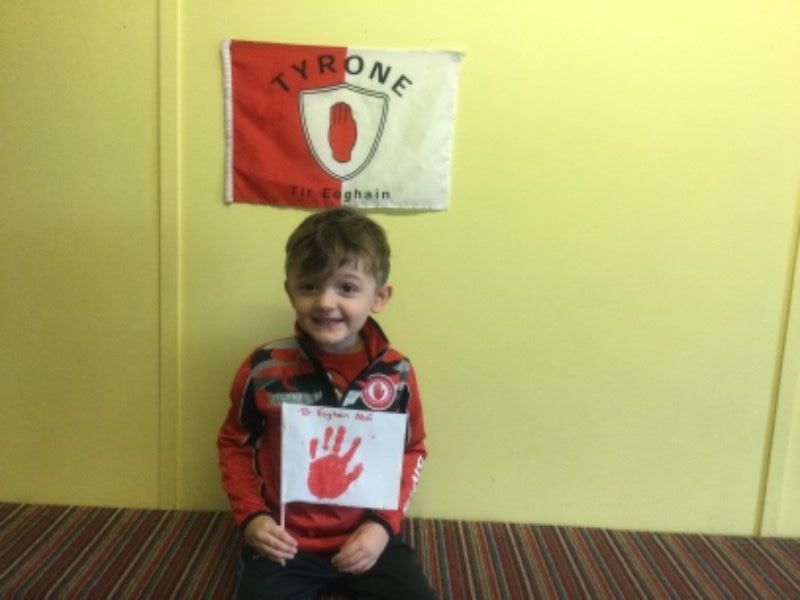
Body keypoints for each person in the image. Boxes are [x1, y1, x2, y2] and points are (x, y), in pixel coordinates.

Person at [218, 207, 436, 599]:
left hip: (367, 539)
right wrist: (252, 517)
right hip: (284, 541)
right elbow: (234, 443)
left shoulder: (397, 374)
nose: (325, 301)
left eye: (347, 288)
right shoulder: (264, 367)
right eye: (309, 286)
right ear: (289, 291)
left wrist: (382, 527)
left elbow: (412, 450)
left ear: (379, 297)